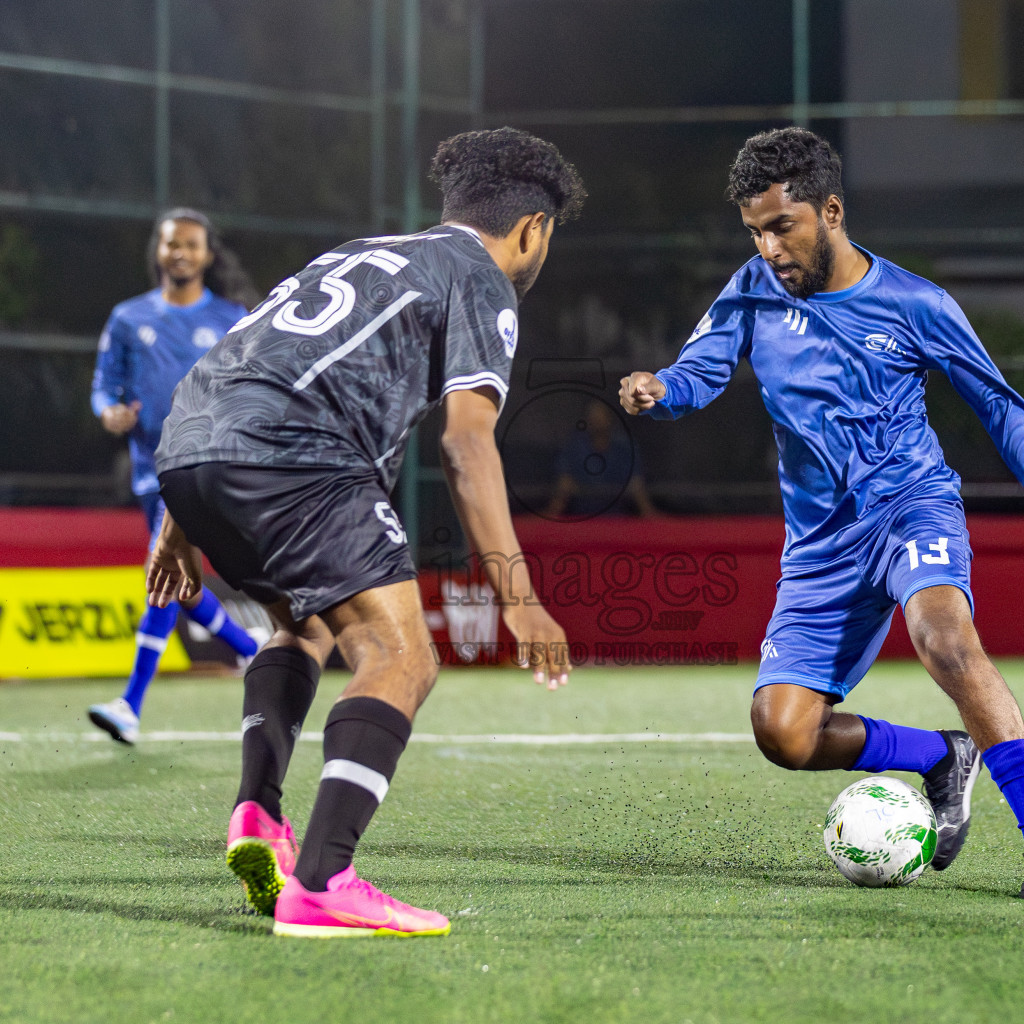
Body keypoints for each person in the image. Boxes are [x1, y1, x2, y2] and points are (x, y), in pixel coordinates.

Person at [619, 128, 1024, 899]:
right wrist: (661, 390)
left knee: (944, 640)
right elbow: (700, 374)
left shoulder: (914, 302)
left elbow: (1002, 409)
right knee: (784, 733)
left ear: (830, 211)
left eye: (783, 227)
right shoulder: (751, 289)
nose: (770, 249)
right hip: (819, 545)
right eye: (755, 232)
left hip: (912, 505)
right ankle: (940, 757)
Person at [146, 128, 584, 938]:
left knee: (302, 625)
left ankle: (259, 817)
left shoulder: (358, 253)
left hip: (191, 450)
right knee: (401, 657)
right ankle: (321, 883)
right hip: (297, 458)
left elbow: (242, 357)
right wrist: (520, 599)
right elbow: (465, 439)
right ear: (533, 229)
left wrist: (177, 519)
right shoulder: (482, 278)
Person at [86, 209, 262, 744]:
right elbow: (103, 386)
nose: (179, 252)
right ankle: (250, 647)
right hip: (146, 469)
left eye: (190, 244)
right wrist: (108, 412)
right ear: (158, 251)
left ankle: (130, 705)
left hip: (200, 465)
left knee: (160, 573)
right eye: (170, 244)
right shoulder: (126, 318)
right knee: (182, 581)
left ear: (208, 254)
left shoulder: (233, 317)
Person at [542, 399, 657, 519]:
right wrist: (551, 514)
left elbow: (636, 484)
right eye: (593, 416)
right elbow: (564, 483)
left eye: (600, 416)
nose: (597, 420)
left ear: (609, 419)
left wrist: (650, 515)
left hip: (618, 519)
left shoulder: (624, 447)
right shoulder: (573, 446)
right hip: (580, 518)